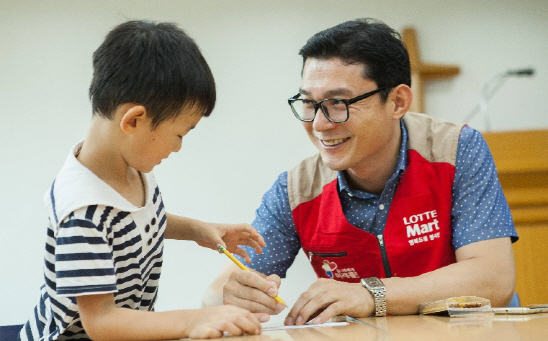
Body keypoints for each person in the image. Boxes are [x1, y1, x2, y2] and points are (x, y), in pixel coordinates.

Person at [203, 18, 518, 325]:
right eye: (309, 104)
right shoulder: (296, 189)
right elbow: (217, 292)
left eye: (338, 103)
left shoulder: (456, 149)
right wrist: (231, 296)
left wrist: (372, 294)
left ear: (397, 102)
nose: (319, 124)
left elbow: (493, 279)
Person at [19, 20, 268, 341]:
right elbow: (101, 322)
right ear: (134, 120)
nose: (178, 147)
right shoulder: (82, 210)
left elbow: (136, 222)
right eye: (179, 134)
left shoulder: (127, 166)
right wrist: (193, 320)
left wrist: (198, 230)